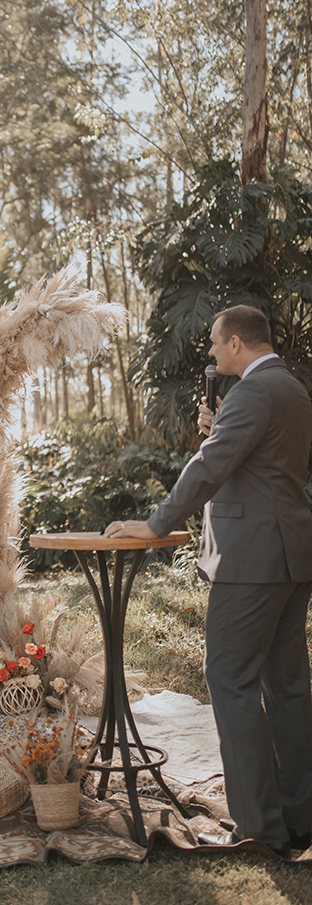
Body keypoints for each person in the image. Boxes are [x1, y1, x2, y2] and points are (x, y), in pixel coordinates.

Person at [105, 305, 312, 857]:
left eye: (217, 345)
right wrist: (219, 427)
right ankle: (300, 819)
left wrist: (155, 523)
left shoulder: (251, 390)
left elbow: (210, 466)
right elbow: (262, 464)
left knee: (229, 678)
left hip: (252, 561)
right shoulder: (291, 388)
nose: (213, 354)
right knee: (288, 687)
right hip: (292, 557)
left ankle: (258, 828)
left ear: (237, 343)